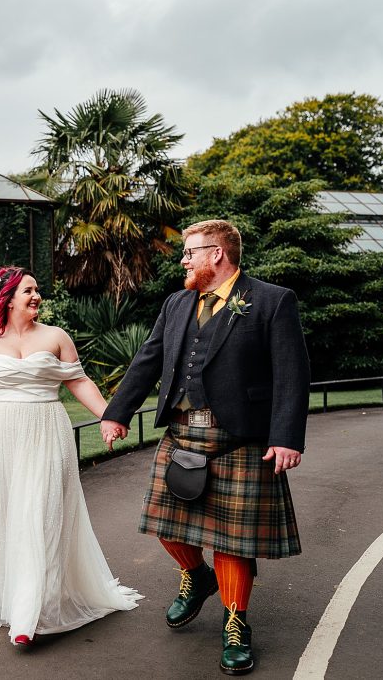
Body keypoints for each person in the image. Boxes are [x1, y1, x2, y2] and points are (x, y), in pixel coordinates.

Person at [101, 220, 309, 676]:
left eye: (190, 252)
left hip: (240, 439)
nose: (183, 260)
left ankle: (236, 623)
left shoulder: (271, 301)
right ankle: (196, 577)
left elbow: (291, 374)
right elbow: (149, 359)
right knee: (164, 525)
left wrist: (286, 437)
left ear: (217, 254)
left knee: (232, 543)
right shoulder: (177, 303)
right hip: (181, 436)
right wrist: (117, 412)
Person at [0, 266, 142, 647]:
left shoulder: (56, 337)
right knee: (8, 515)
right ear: (8, 297)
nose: (37, 296)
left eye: (37, 290)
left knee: (40, 512)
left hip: (47, 431)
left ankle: (27, 616)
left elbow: (79, 381)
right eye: (28, 290)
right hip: (1, 435)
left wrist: (111, 417)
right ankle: (16, 596)